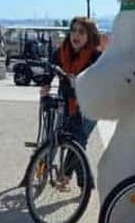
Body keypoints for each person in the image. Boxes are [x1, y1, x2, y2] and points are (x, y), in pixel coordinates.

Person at [40, 17, 102, 150]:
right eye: (73, 30)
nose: (76, 35)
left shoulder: (96, 56)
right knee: (52, 139)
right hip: (66, 99)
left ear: (89, 35)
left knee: (79, 141)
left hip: (89, 104)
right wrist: (45, 87)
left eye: (81, 32)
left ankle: (75, 168)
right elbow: (49, 70)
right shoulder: (61, 52)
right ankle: (43, 167)